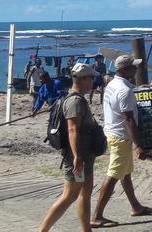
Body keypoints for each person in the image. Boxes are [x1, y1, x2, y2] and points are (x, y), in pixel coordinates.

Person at [91, 55, 152, 227]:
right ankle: (96, 216)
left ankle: (136, 206)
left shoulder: (113, 84)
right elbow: (129, 120)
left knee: (125, 172)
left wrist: (140, 88)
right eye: (133, 67)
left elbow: (126, 94)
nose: (136, 69)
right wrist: (138, 145)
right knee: (114, 174)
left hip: (112, 133)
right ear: (124, 70)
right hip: (120, 136)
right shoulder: (124, 90)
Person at [39, 63, 100, 232]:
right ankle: (42, 230)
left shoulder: (76, 98)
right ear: (83, 79)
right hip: (78, 156)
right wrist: (77, 157)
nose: (93, 82)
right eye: (91, 78)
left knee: (85, 193)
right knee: (70, 195)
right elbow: (73, 129)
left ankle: (86, 229)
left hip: (85, 155)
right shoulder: (74, 101)